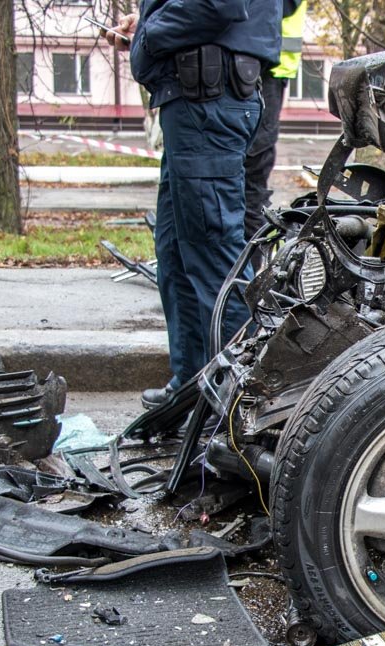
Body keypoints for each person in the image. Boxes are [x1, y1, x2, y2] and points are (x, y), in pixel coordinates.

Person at [104, 1, 281, 409]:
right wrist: (146, 25)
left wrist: (149, 35)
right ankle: (192, 391)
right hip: (193, 101)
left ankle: (239, 412)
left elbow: (218, 4)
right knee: (176, 251)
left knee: (214, 259)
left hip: (208, 103)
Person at [243, 0, 307, 244]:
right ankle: (246, 264)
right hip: (258, 66)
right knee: (246, 174)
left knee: (251, 174)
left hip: (264, 68)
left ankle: (249, 265)